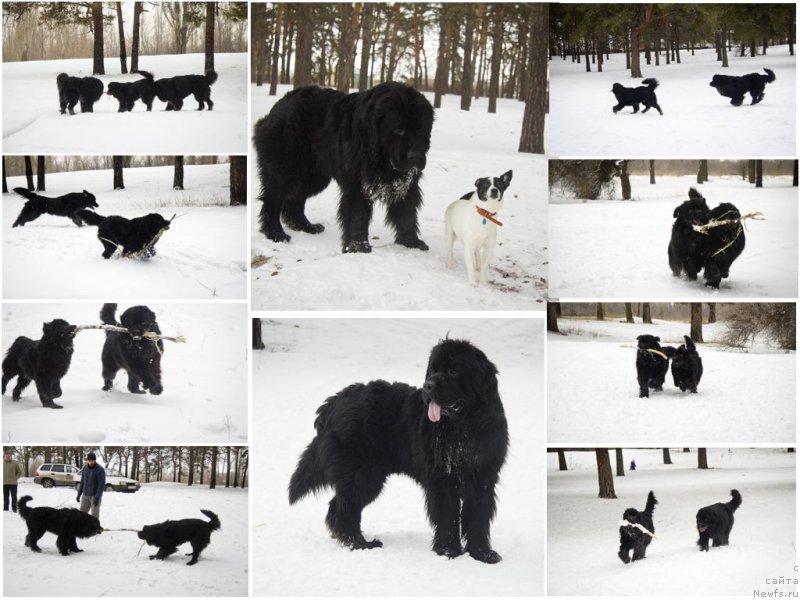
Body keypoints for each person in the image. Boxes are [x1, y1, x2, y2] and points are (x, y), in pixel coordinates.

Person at [77, 452, 105, 518]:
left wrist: (97, 497)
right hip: (85, 495)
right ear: (87, 460)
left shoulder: (100, 470)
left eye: (93, 460)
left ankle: (96, 528)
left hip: (95, 496)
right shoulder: (85, 469)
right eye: (89, 460)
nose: (91, 462)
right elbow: (82, 482)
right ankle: (82, 527)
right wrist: (79, 494)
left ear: (95, 460)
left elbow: (101, 485)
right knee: (81, 514)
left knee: (94, 515)